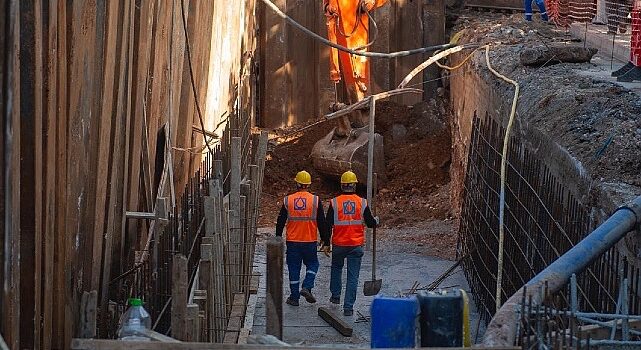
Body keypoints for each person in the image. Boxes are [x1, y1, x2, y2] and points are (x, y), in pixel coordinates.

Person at [321, 171, 378, 316]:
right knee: (353, 276)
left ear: (342, 185)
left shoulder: (335, 202)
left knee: (336, 269)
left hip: (339, 244)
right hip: (355, 245)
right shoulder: (362, 202)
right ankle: (348, 308)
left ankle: (335, 297)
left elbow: (328, 225)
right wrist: (376, 220)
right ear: (354, 185)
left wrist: (326, 243)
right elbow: (371, 223)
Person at [276, 170, 327, 306]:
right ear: (309, 185)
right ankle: (307, 285)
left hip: (293, 242)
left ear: (297, 183)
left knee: (294, 268)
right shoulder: (315, 200)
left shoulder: (288, 200)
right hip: (309, 241)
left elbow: (281, 220)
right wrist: (325, 239)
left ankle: (294, 298)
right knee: (313, 264)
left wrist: (278, 236)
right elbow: (322, 221)